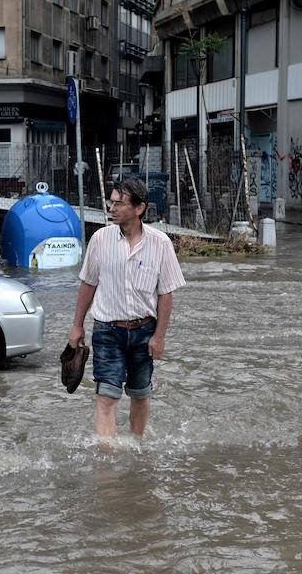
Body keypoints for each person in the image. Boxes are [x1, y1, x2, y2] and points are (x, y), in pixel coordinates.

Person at [68, 178, 185, 438]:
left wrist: (160, 336)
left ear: (139, 208)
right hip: (107, 330)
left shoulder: (160, 243)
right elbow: (88, 284)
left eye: (119, 203)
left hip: (145, 331)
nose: (112, 208)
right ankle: (107, 459)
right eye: (111, 202)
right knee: (106, 397)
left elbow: (166, 294)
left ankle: (137, 446)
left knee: (141, 394)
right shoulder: (100, 239)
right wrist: (76, 326)